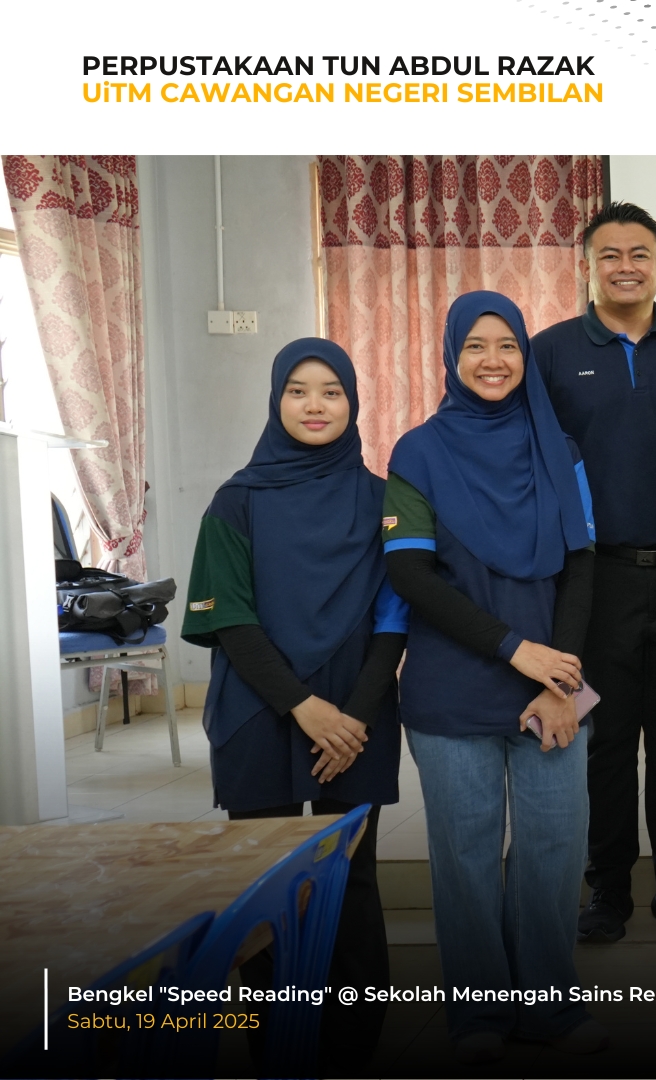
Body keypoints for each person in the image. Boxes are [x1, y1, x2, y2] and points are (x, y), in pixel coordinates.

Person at [381, 291, 607, 1064]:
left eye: (507, 344)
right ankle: (477, 1015)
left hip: (553, 690)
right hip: (453, 689)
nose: (492, 360)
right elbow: (410, 575)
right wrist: (518, 651)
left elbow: (582, 567)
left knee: (554, 850)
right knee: (466, 859)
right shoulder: (418, 452)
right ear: (452, 355)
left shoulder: (560, 448)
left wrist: (559, 681)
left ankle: (548, 1006)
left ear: (525, 355)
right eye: (475, 345)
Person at [182, 339, 404, 1074]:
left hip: (357, 710)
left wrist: (355, 718)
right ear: (276, 400)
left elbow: (393, 619)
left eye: (332, 391)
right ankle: (279, 1050)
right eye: (298, 391)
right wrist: (306, 708)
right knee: (263, 887)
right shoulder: (236, 501)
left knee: (351, 882)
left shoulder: (382, 500)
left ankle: (353, 1048)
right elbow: (231, 620)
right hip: (261, 709)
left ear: (353, 403)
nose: (315, 405)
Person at [531, 202, 656, 944]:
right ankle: (606, 890)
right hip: (593, 581)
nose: (625, 267)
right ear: (586, 268)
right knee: (602, 741)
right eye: (609, 255)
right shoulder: (550, 353)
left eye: (639, 254)